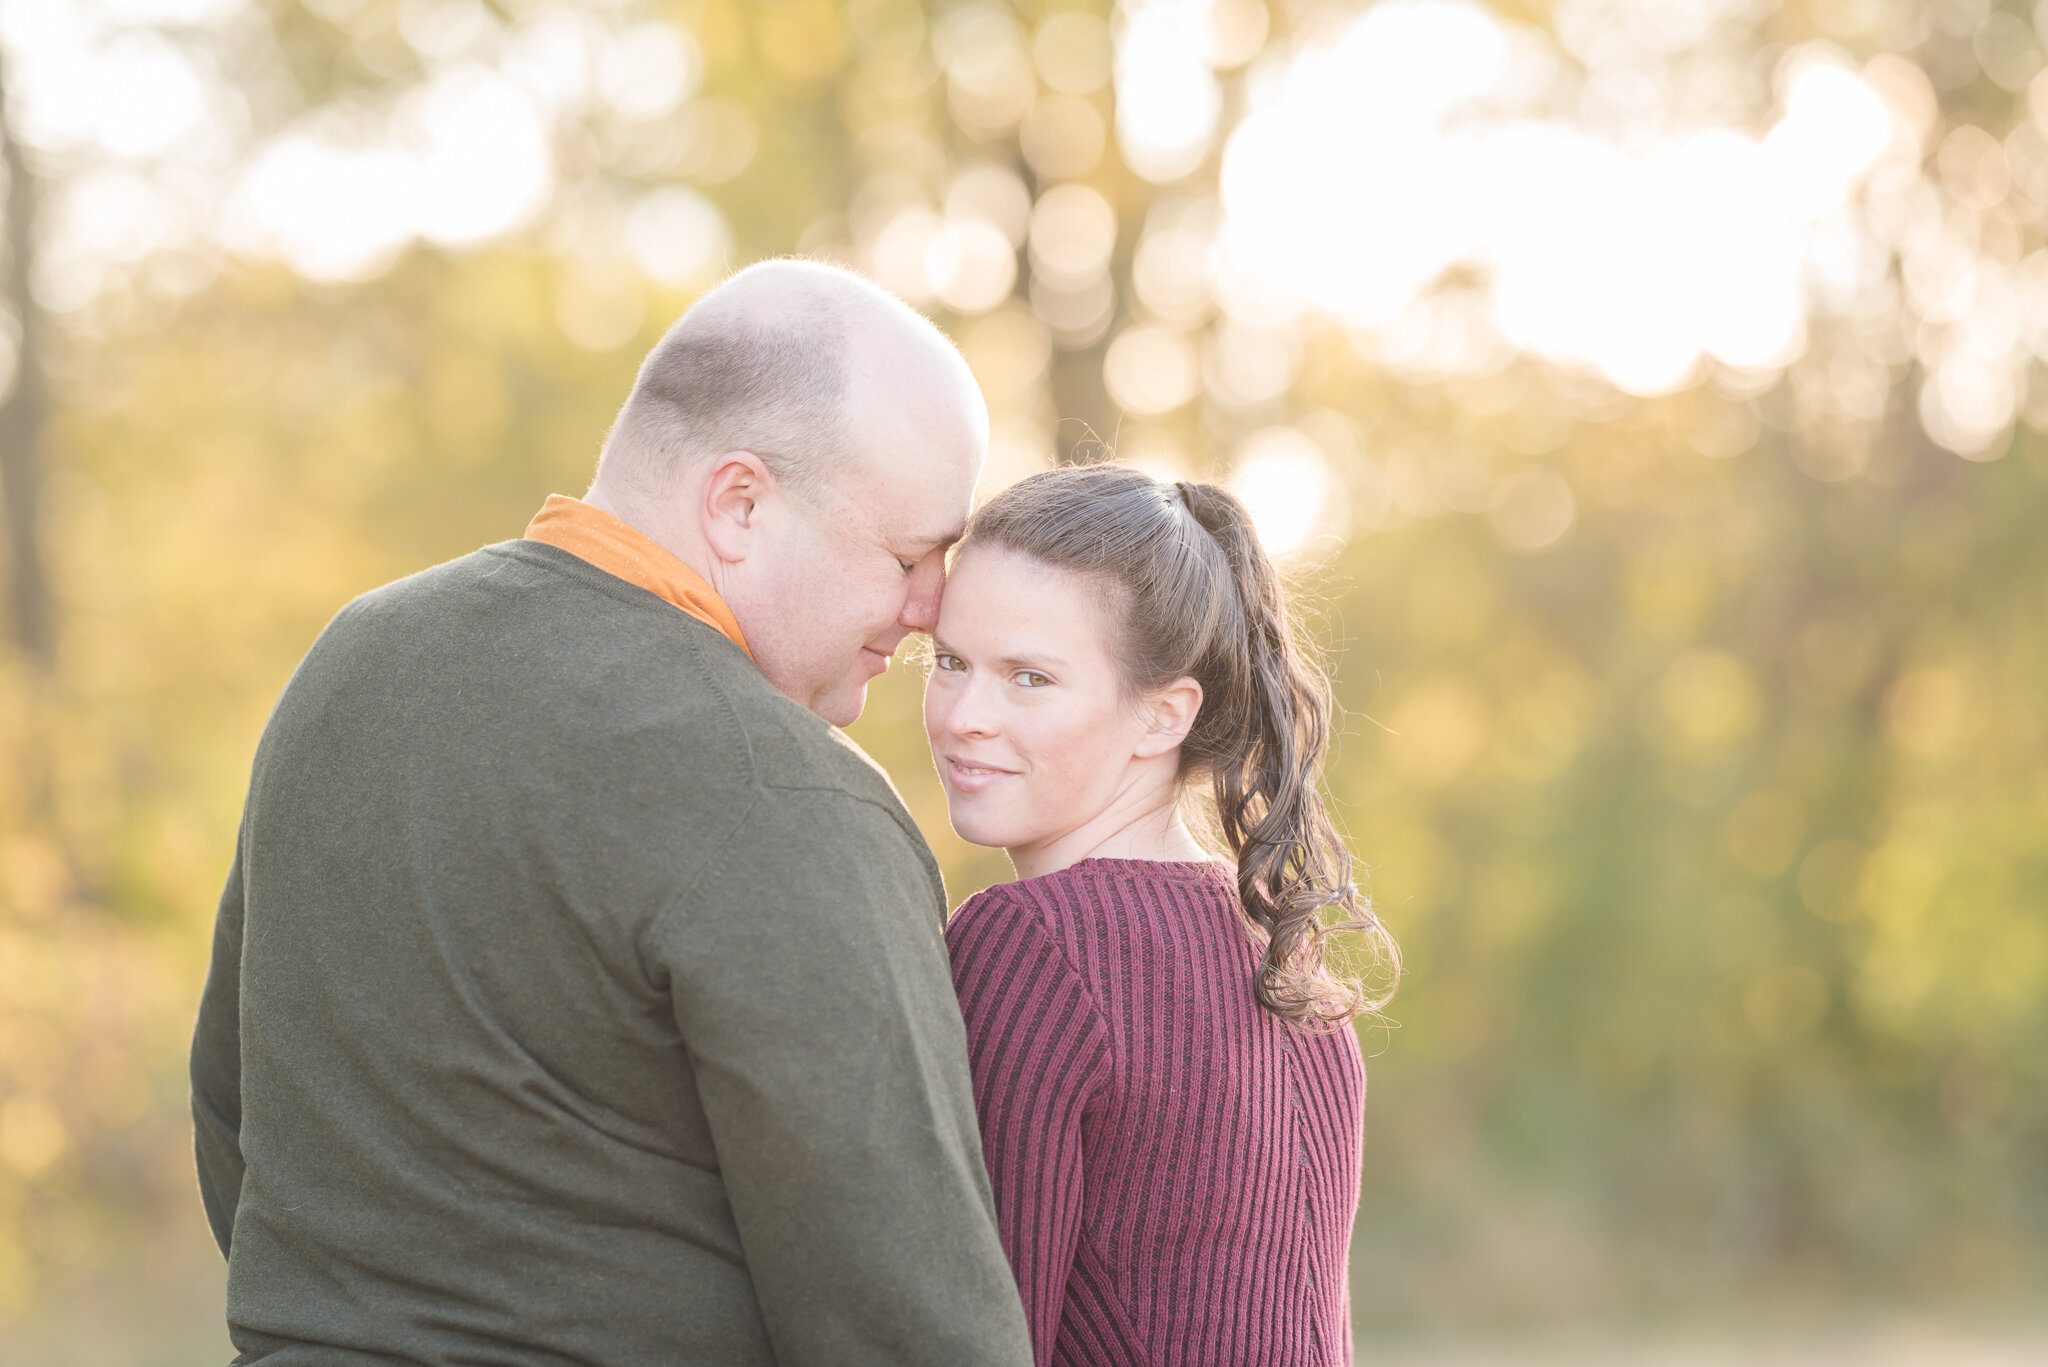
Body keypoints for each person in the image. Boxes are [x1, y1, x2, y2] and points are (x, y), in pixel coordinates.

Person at [188, 260, 1035, 1366]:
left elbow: (230, 1114)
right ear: (739, 502)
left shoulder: (356, 658)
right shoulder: (780, 790)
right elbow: (907, 1321)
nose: (930, 609)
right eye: (910, 554)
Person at [924, 462, 1400, 1367]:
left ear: (1162, 716)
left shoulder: (1032, 943)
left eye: (1028, 676)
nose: (963, 715)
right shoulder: (1288, 967)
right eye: (949, 661)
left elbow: (979, 1337)